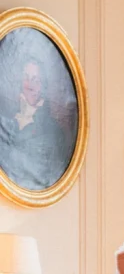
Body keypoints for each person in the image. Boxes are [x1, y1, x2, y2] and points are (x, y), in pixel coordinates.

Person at [0, 58, 72, 190]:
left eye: (35, 80)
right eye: (26, 78)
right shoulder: (8, 121)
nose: (29, 85)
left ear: (43, 86)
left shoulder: (53, 130)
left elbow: (47, 179)